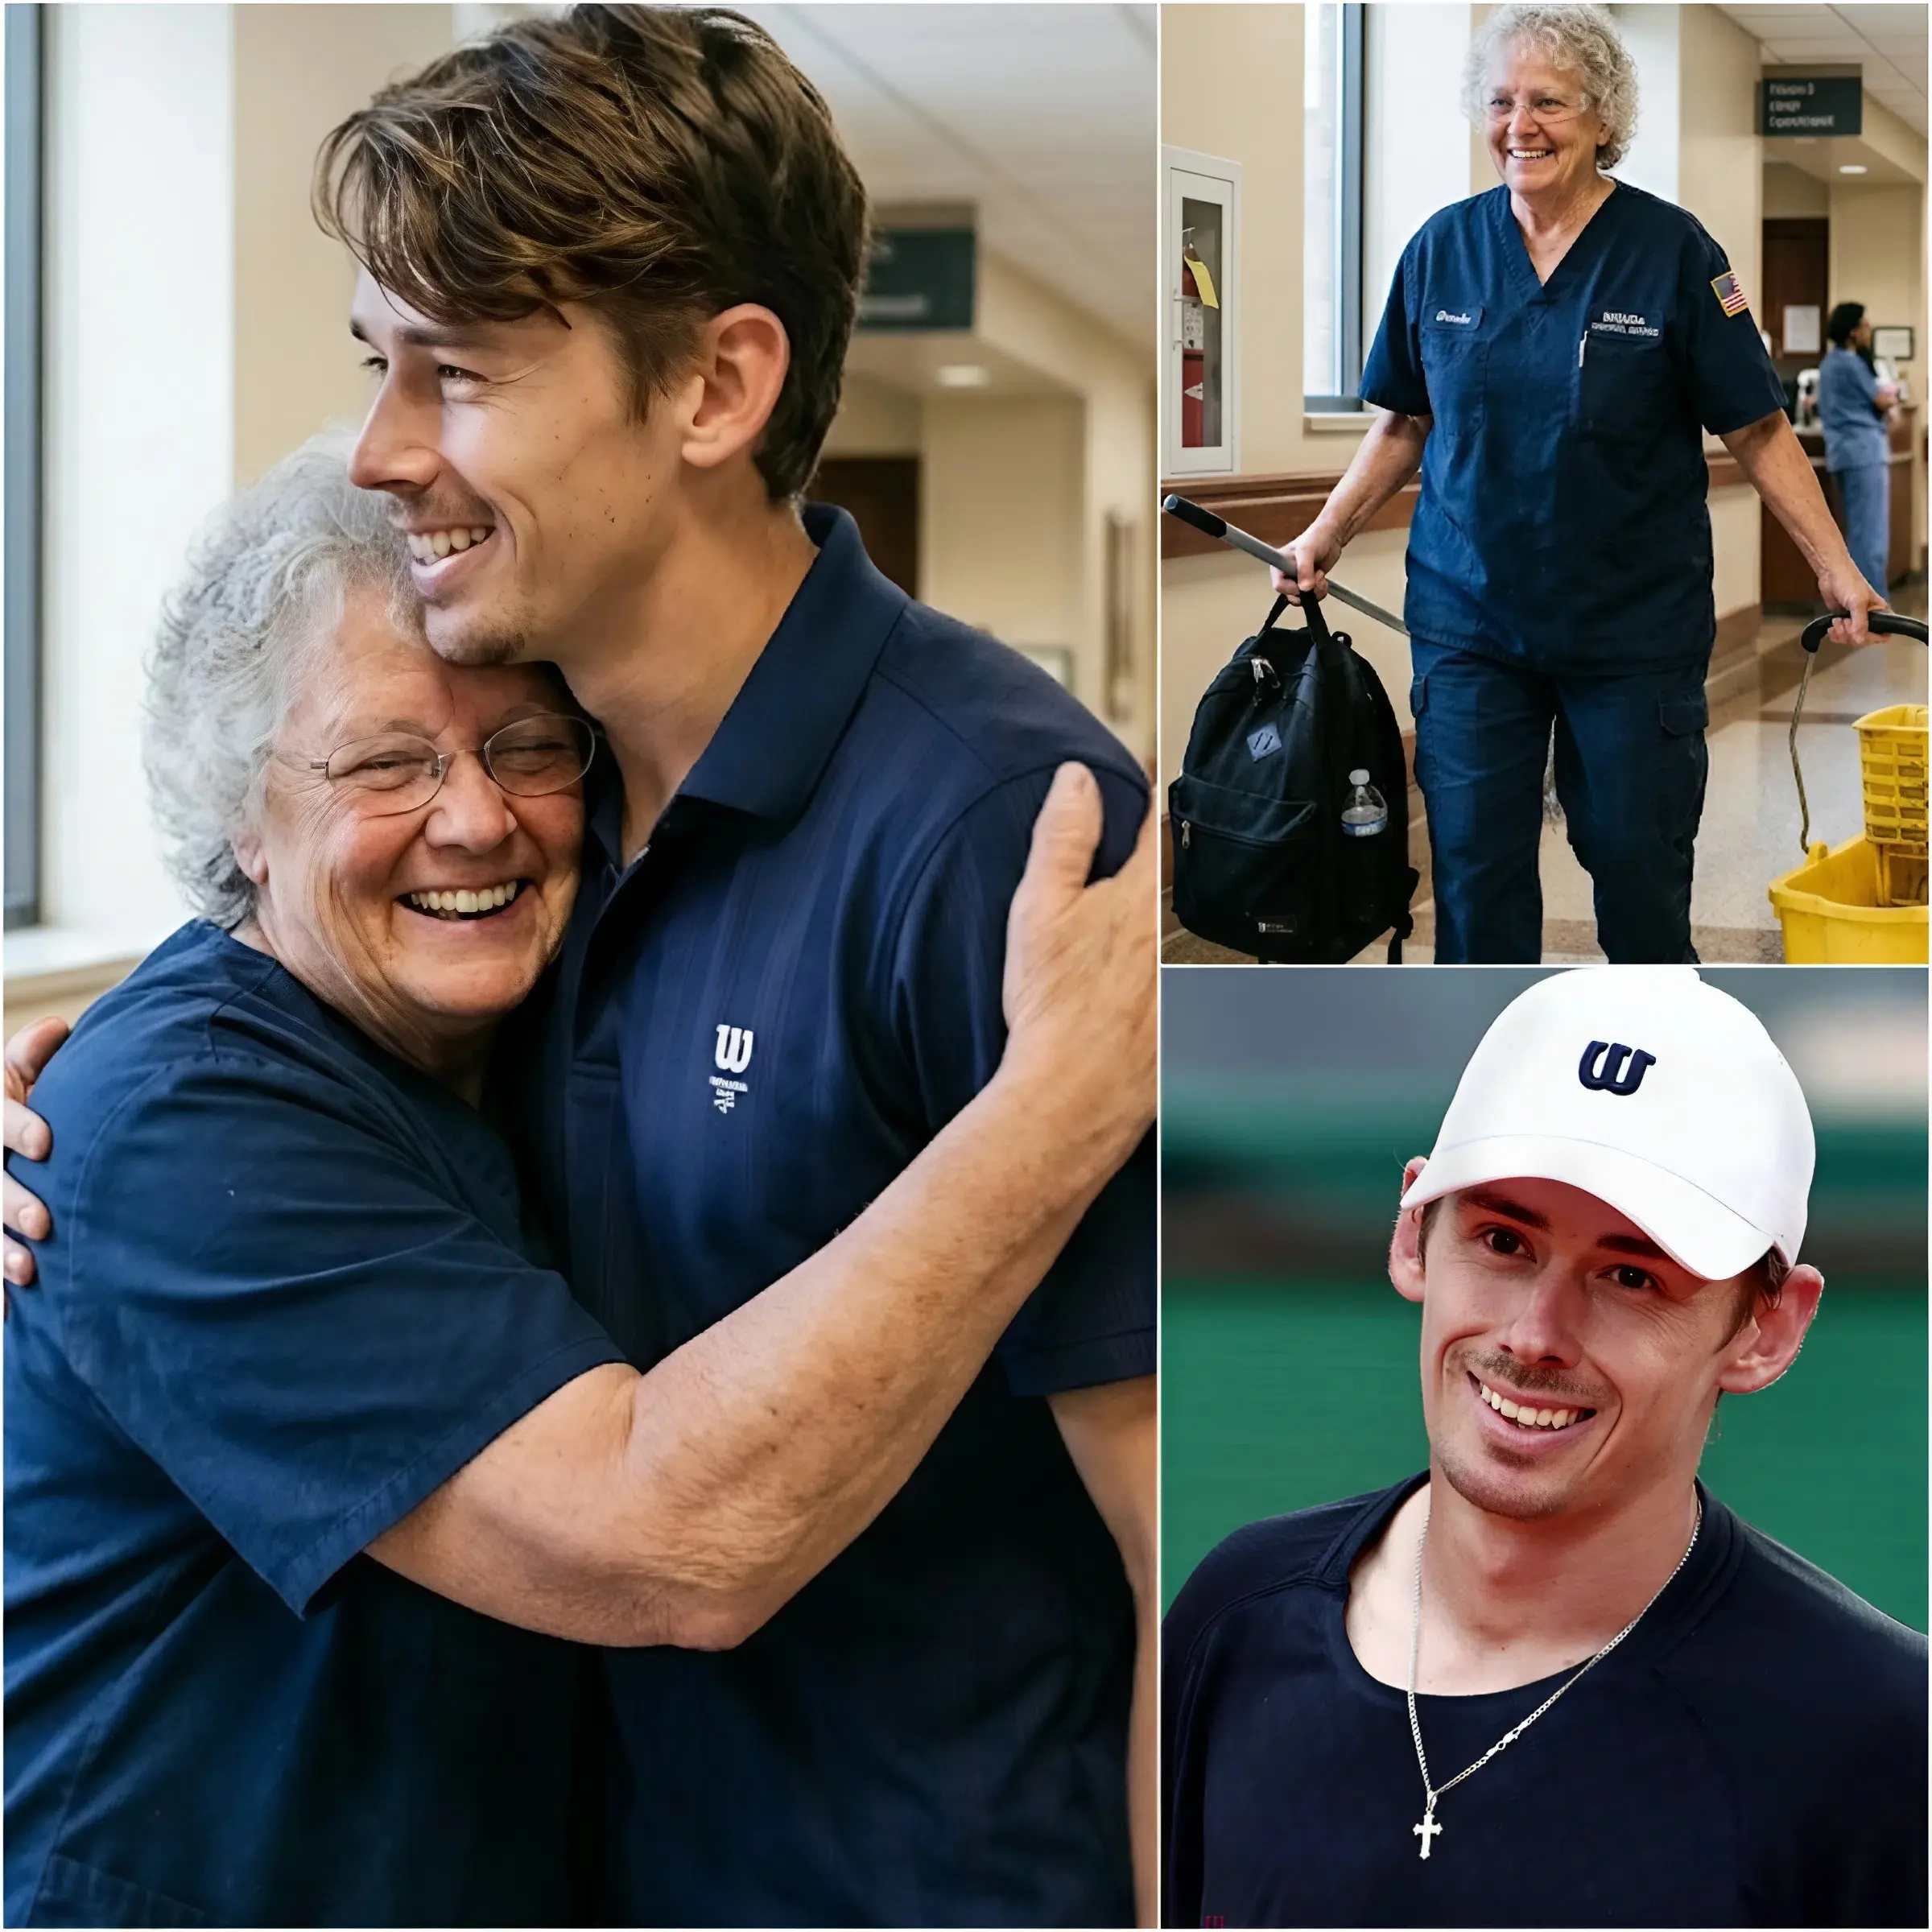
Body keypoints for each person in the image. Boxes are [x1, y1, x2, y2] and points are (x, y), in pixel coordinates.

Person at [8, 7, 1158, 1924]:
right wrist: (99, 1098)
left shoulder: (999, 841)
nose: (381, 451)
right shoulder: (560, 840)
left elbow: (1188, 1543)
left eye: (450, 375)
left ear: (715, 386)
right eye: (377, 367)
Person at [1162, 968, 1927, 1929]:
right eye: (1502, 1242)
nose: (1534, 1334)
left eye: (1630, 1276)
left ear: (1766, 1330)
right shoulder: (1234, 1622)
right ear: (1412, 1234)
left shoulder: (1881, 1739)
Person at [1274, 2, 1890, 966]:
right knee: (1474, 880)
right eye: (1502, 101)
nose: (1521, 124)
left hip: (1632, 630)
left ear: (1605, 118)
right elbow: (1402, 422)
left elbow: (1759, 427)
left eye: (1550, 102)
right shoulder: (1442, 248)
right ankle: (1493, 1083)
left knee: (1639, 874)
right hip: (1471, 623)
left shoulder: (1676, 252)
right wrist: (1324, 535)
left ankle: (1647, 1081)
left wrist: (1835, 565)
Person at [1818, 301, 1898, 597]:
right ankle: (1873, 605)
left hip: (1842, 454)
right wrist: (1894, 395)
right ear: (1853, 331)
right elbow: (1881, 400)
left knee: (1858, 532)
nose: (1869, 331)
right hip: (1865, 453)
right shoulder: (1850, 363)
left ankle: (1859, 598)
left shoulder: (1829, 364)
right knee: (1871, 536)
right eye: (1865, 325)